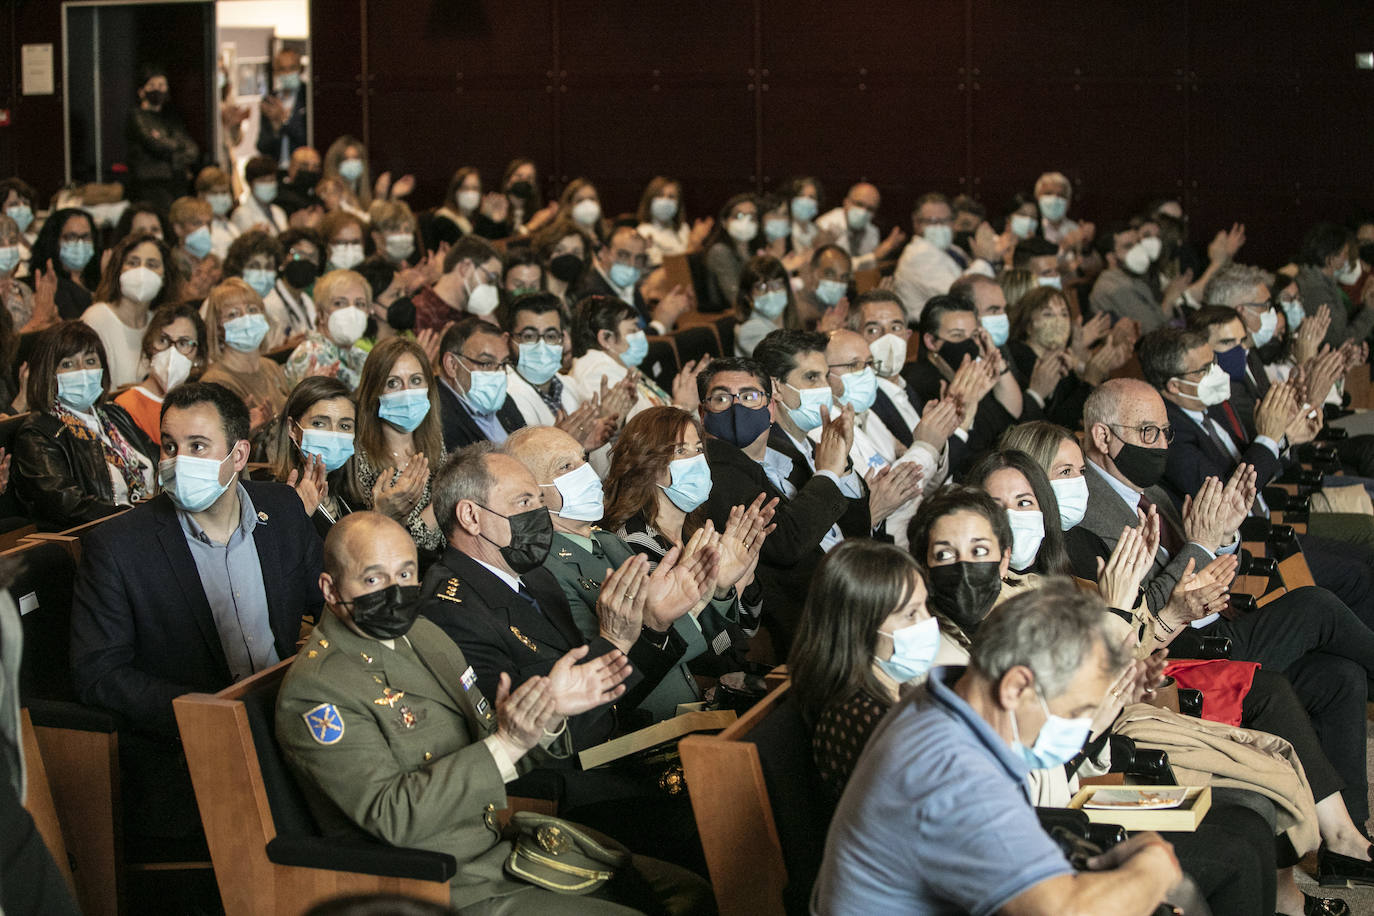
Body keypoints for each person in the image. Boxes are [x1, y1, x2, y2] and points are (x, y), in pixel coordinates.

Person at [274, 511, 711, 914]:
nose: (394, 592)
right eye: (372, 580)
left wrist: (546, 714)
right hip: (435, 883)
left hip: (501, 849)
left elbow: (496, 741)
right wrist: (508, 741)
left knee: (690, 891)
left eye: (405, 574)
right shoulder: (320, 691)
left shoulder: (422, 635)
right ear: (330, 590)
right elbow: (394, 817)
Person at [812, 583, 1181, 916]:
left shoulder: (939, 699)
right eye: (1075, 712)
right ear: (1016, 688)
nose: (1079, 725)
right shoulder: (955, 776)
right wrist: (1156, 866)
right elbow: (1063, 912)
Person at [70, 381, 323, 843]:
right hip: (188, 747)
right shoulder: (118, 546)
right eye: (170, 446)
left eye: (198, 446)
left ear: (239, 455)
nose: (177, 461)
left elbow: (325, 602)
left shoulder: (283, 509)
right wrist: (208, 715)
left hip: (288, 722)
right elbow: (98, 673)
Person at [414, 443, 694, 749]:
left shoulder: (534, 577)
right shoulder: (450, 612)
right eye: (523, 502)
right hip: (564, 777)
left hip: (613, 740)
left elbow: (610, 703)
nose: (539, 514)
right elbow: (535, 742)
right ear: (470, 516)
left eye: (538, 500)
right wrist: (614, 642)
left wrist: (653, 625)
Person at [507, 421, 756, 723]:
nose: (584, 471)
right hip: (635, 732)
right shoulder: (543, 569)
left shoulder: (607, 542)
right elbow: (617, 671)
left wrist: (713, 590)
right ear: (531, 494)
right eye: (565, 467)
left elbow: (682, 635)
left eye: (583, 459)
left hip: (683, 714)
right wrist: (679, 611)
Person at [695, 354, 864, 648]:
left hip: (856, 588)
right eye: (721, 399)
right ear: (703, 414)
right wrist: (828, 472)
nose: (737, 408)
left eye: (749, 396)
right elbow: (785, 542)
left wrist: (841, 470)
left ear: (771, 408)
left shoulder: (784, 451)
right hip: (812, 621)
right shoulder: (715, 473)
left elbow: (856, 525)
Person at [598, 409, 769, 669]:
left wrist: (746, 577)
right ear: (648, 464)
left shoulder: (696, 531)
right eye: (680, 452)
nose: (696, 460)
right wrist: (723, 591)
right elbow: (693, 655)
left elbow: (748, 629)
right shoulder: (634, 544)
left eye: (698, 449)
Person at [789, 540, 951, 798]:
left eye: (925, 606)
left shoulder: (892, 693)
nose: (928, 622)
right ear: (861, 626)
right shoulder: (859, 717)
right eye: (910, 614)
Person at [11, 321, 158, 530]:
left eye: (90, 361)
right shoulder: (38, 433)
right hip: (107, 535)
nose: (82, 371)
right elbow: (67, 505)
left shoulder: (114, 414)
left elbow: (158, 461)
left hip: (150, 521)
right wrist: (135, 516)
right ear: (49, 372)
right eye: (68, 365)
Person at [346, 336, 445, 559]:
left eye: (416, 380)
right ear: (374, 390)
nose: (407, 392)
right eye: (393, 383)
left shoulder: (435, 441)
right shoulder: (355, 454)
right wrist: (441, 505)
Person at [902, 294, 1018, 470]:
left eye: (973, 336)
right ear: (931, 341)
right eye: (957, 336)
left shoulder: (968, 373)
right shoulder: (921, 383)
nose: (968, 344)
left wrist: (997, 362)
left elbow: (1013, 415)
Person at [1006, 285, 1130, 430]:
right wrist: (1089, 381)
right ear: (1028, 325)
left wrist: (1087, 368)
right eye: (1048, 314)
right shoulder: (1017, 360)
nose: (1059, 321)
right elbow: (1058, 423)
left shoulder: (1064, 360)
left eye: (1064, 314)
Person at [81, 232, 181, 387]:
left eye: (152, 265)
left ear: (165, 277)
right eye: (133, 263)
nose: (142, 271)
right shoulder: (96, 318)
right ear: (118, 270)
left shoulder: (160, 323)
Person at [269, 375, 356, 537]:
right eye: (319, 423)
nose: (334, 434)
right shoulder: (274, 498)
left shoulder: (352, 494)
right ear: (293, 429)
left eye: (345, 426)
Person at [200, 278, 291, 425]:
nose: (246, 318)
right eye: (233, 314)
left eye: (252, 310)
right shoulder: (215, 383)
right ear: (217, 328)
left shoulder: (270, 366)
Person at [892, 192, 994, 318]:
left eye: (945, 221)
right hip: (930, 329)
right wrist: (984, 259)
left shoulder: (950, 249)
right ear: (917, 224)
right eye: (932, 221)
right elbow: (958, 296)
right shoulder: (918, 255)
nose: (939, 226)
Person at [572, 223, 688, 334]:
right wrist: (659, 324)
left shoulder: (630, 287)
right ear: (603, 253)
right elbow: (622, 346)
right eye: (623, 255)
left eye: (638, 258)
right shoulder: (591, 292)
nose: (631, 264)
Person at [114, 302, 205, 440]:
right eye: (162, 340)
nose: (172, 352)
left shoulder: (202, 407)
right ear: (149, 346)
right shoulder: (127, 406)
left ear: (198, 355)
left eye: (184, 343)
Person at [435, 317, 526, 449]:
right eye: (487, 363)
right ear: (452, 364)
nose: (499, 373)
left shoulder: (505, 402)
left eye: (504, 363)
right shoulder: (435, 418)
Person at [125, 64, 200, 210]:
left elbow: (192, 149)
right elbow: (155, 145)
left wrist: (170, 147)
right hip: (150, 184)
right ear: (141, 91)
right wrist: (177, 148)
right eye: (152, 85)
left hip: (175, 182)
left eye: (161, 85)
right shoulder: (137, 116)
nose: (157, 90)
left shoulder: (171, 118)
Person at [283, 268, 370, 389]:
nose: (352, 312)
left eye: (360, 304)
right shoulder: (310, 355)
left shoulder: (360, 356)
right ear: (320, 313)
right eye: (339, 303)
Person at [1294, 222, 1374, 349]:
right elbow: (1339, 341)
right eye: (1345, 254)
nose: (1348, 259)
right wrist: (1370, 310)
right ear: (1330, 259)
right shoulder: (1315, 289)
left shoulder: (1323, 282)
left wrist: (1365, 305)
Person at [410, 235, 502, 333]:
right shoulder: (418, 314)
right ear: (465, 268)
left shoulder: (475, 317)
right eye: (491, 278)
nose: (493, 289)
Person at [813, 182, 905, 273]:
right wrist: (874, 257)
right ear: (846, 203)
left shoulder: (873, 232)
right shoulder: (826, 225)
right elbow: (833, 267)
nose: (863, 212)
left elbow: (867, 272)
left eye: (870, 209)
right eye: (859, 204)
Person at [30, 207, 101, 319]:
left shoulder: (99, 279)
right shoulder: (50, 285)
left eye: (86, 237)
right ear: (54, 241)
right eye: (71, 237)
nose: (80, 243)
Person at [701, 194, 763, 309]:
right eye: (739, 216)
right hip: (730, 316)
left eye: (752, 217)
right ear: (724, 222)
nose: (746, 221)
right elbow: (735, 298)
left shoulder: (755, 251)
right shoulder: (720, 251)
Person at [733, 254, 799, 357]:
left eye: (777, 284)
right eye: (761, 287)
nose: (770, 292)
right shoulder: (750, 330)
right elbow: (784, 362)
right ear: (747, 296)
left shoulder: (790, 320)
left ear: (787, 288)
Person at [635, 176, 708, 266]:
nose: (665, 201)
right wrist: (692, 246)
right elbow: (662, 270)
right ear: (650, 200)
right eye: (660, 195)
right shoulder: (643, 232)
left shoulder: (683, 228)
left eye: (671, 197)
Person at [257, 48, 309, 167]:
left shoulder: (308, 97)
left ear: (300, 69)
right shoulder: (270, 101)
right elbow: (262, 146)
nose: (287, 73)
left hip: (304, 168)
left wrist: (284, 121)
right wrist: (275, 130)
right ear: (276, 72)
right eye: (282, 69)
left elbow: (306, 138)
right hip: (277, 169)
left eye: (292, 68)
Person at [269, 226, 323, 338]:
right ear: (283, 258)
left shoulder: (307, 301)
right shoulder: (270, 301)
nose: (305, 261)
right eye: (298, 254)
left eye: (312, 257)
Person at [168, 195, 221, 301]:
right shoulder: (170, 264)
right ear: (178, 228)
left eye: (208, 224)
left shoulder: (216, 264)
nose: (205, 230)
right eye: (197, 223)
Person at [232, 155, 289, 235]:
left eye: (271, 180)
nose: (268, 185)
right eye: (263, 181)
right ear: (250, 183)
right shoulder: (242, 215)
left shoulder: (278, 212)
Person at [194, 165, 242, 259]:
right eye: (215, 193)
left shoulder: (231, 226)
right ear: (201, 195)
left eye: (224, 192)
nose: (221, 198)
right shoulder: (199, 229)